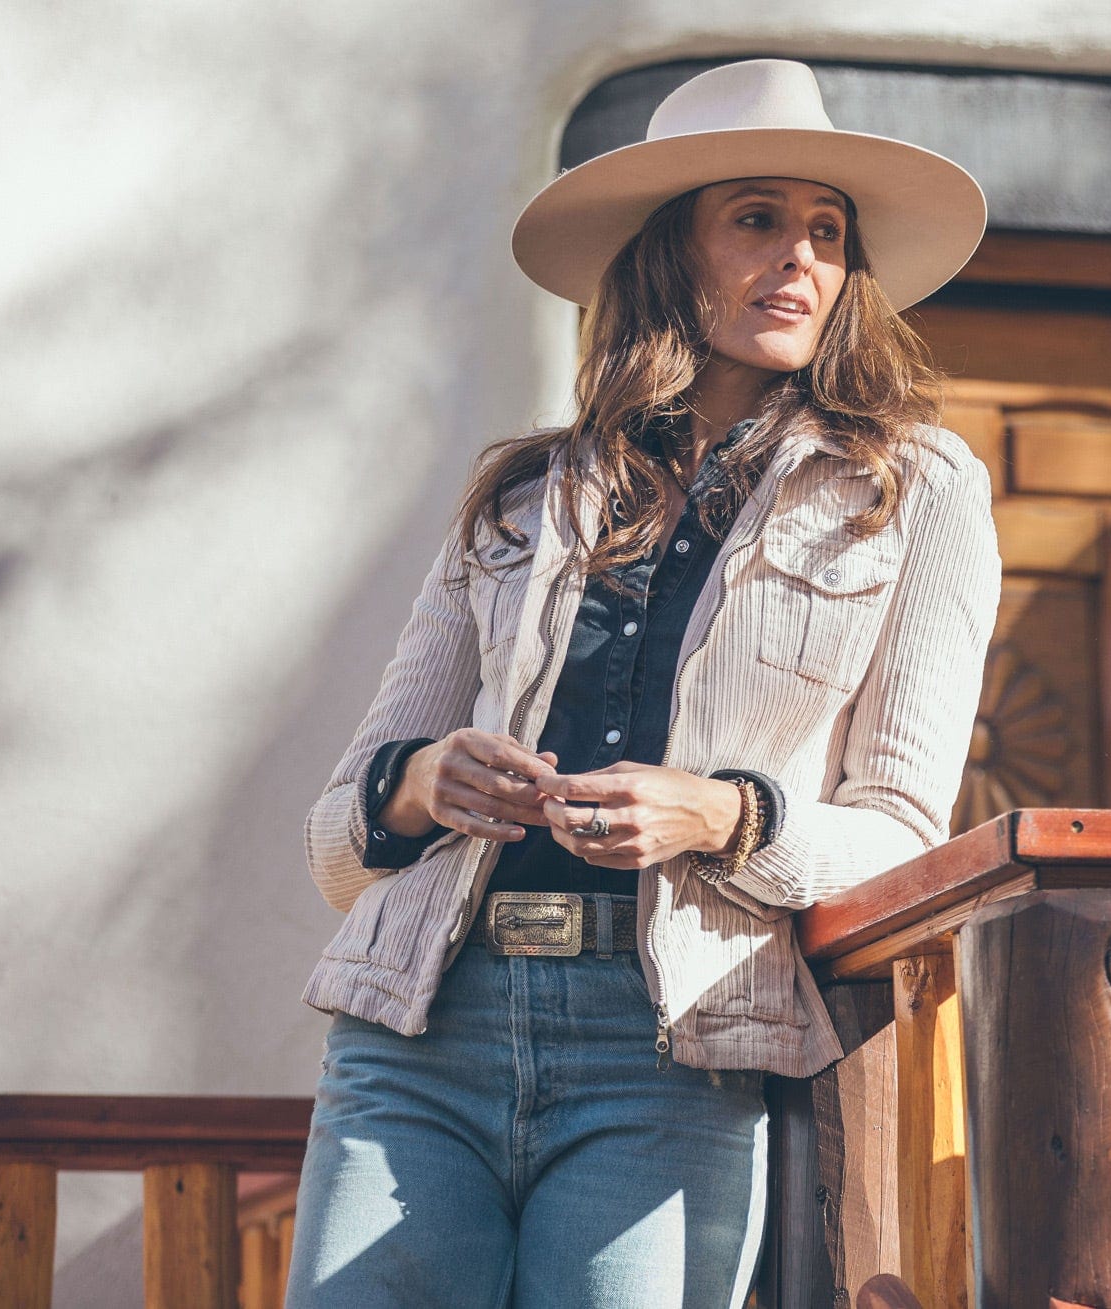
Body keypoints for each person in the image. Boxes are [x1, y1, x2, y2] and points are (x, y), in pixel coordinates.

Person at [285, 58, 1000, 1308]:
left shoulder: (917, 490)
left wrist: (722, 814)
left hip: (671, 1044)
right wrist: (422, 786)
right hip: (419, 1031)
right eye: (758, 220)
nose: (801, 261)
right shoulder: (524, 494)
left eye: (828, 233)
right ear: (670, 254)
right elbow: (341, 840)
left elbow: (902, 836)